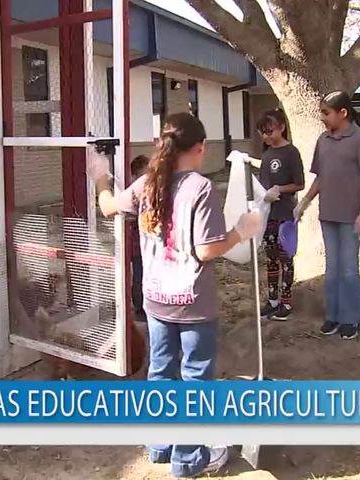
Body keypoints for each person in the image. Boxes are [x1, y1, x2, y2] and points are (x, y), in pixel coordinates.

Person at [86, 112, 262, 478]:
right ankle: (188, 458)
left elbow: (107, 206)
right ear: (199, 149)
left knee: (161, 372)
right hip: (193, 303)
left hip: (155, 300)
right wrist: (242, 231)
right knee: (195, 378)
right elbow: (207, 250)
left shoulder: (148, 183)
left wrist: (100, 174)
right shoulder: (200, 188)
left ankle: (160, 445)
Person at [294, 91, 360, 340]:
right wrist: (306, 201)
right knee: (332, 268)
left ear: (343, 113)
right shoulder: (323, 140)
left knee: (349, 269)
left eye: (326, 113)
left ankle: (351, 319)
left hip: (351, 215)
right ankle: (333, 316)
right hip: (327, 213)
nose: (322, 117)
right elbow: (321, 176)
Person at [256, 109, 305, 321]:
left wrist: (280, 190)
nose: (267, 136)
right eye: (263, 133)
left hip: (285, 213)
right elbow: (262, 185)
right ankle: (273, 299)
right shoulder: (266, 156)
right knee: (271, 258)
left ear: (282, 128)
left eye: (270, 131)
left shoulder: (291, 152)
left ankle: (286, 301)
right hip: (269, 214)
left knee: (286, 257)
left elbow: (300, 183)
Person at [129, 154, 149, 321]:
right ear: (134, 176)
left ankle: (142, 306)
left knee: (143, 274)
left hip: (144, 245)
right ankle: (139, 306)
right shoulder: (132, 193)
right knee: (138, 275)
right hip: (134, 244)